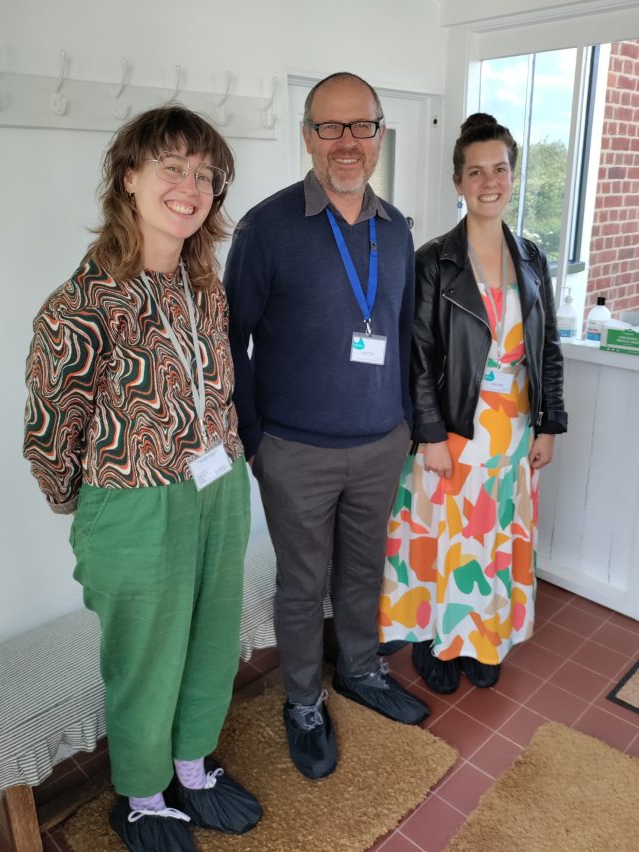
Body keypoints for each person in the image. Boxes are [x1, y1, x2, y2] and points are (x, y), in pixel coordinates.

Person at [23, 106, 262, 851]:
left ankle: (192, 768)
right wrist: (86, 507)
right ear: (129, 178)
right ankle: (141, 795)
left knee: (212, 642)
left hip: (219, 490)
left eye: (204, 174)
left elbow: (219, 388)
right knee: (146, 661)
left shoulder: (205, 284)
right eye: (173, 168)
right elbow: (49, 433)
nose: (191, 187)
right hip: (133, 505)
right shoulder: (80, 305)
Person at [224, 71, 429, 781]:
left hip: (380, 445)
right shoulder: (267, 227)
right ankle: (304, 703)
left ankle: (362, 671)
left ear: (379, 134)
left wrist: (404, 423)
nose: (347, 143)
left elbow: (403, 336)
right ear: (307, 135)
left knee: (363, 569)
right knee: (301, 584)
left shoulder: (396, 230)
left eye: (361, 127)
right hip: (295, 450)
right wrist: (256, 442)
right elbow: (231, 343)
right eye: (330, 127)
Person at [379, 113, 567, 694]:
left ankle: (482, 639)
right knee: (448, 537)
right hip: (456, 429)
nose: (490, 181)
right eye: (476, 171)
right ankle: (439, 639)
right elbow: (417, 356)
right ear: (458, 183)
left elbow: (549, 349)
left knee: (495, 537)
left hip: (513, 432)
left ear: (513, 175)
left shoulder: (532, 259)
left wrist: (548, 424)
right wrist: (431, 435)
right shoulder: (434, 261)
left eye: (500, 169)